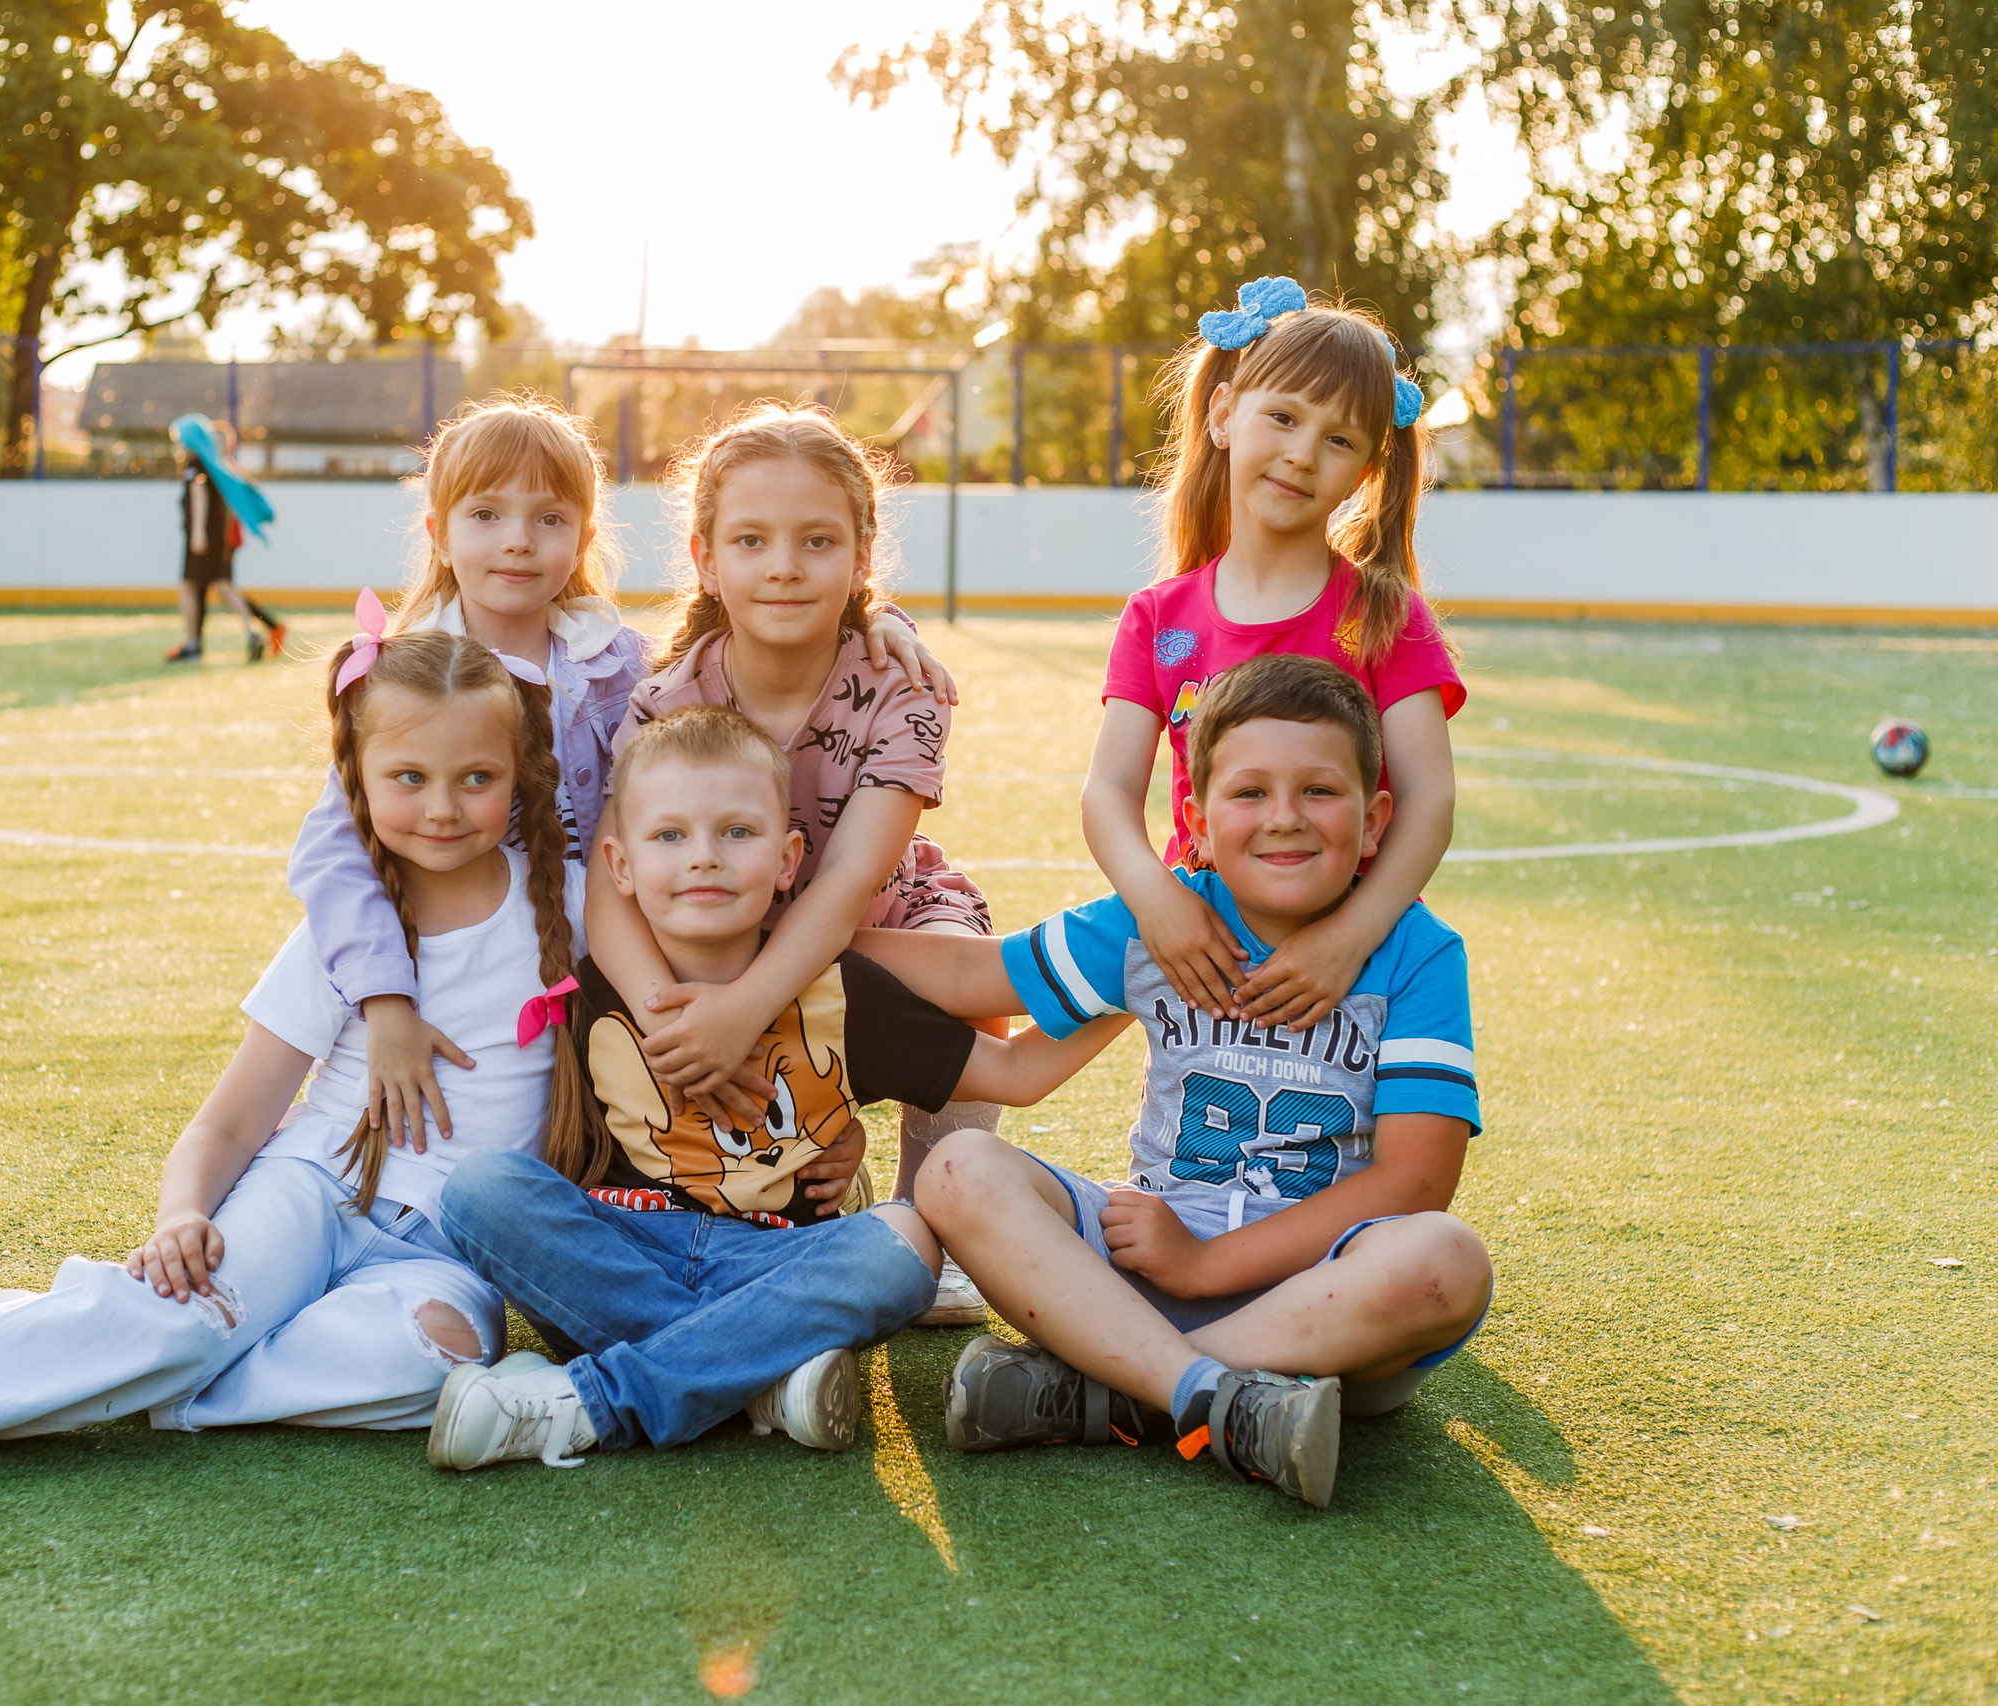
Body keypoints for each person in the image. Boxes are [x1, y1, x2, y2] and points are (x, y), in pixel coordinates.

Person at [0, 631, 581, 1477]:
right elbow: (230, 1120)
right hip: (317, 1193)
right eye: (409, 777)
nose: (444, 807)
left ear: (520, 777)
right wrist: (182, 1215)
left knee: (438, 1364)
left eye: (476, 778)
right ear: (360, 782)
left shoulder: (566, 904)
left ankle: (89, 1346)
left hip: (447, 1254)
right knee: (193, 1316)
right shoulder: (349, 935)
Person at [419, 706, 1132, 1471]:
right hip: (624, 1253)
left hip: (780, 1260)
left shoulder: (842, 990)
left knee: (904, 1247)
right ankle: (758, 1372)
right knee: (480, 1190)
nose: (704, 859)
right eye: (669, 836)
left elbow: (1016, 1074)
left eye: (737, 832)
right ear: (620, 867)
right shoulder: (598, 982)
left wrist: (1139, 978)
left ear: (790, 859)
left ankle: (596, 1399)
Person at [858, 656, 1492, 1510]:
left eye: (1319, 792)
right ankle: (1215, 1399)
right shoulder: (1159, 922)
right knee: (958, 1169)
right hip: (1139, 1270)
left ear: (1376, 820)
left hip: (1326, 1311)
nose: (1284, 820)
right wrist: (787, 934)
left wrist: (1208, 1265)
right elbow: (975, 979)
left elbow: (1415, 1179)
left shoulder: (1416, 952)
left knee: (1446, 1260)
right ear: (1193, 817)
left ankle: (1115, 1392)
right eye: (1250, 793)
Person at [285, 395, 952, 1168]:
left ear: (583, 537)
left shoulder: (621, 668)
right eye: (487, 515)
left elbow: (774, 612)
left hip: (657, 930)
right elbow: (341, 850)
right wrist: (385, 999)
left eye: (549, 519)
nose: (518, 543)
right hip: (523, 942)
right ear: (438, 532)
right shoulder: (406, 682)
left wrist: (881, 618)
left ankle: (851, 1172)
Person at [584, 402, 998, 1328]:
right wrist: (677, 1022)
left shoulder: (905, 691)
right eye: (752, 540)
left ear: (860, 557)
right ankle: (770, 1185)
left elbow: (850, 879)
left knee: (976, 981)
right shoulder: (667, 699)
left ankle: (938, 1223)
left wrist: (747, 1009)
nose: (782, 565)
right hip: (721, 929)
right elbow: (606, 896)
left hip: (868, 921)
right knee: (605, 990)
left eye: (816, 541)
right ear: (704, 558)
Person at [1085, 278, 1462, 1041]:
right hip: (1203, 953)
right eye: (1284, 417)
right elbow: (1107, 794)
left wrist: (1346, 938)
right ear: (1224, 415)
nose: (1300, 454)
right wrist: (1160, 903)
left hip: (1351, 969)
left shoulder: (1386, 619)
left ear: (1362, 474)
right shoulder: (1159, 620)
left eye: (1338, 439)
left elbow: (1429, 802)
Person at [168, 412, 286, 664]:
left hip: (203, 538)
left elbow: (199, 495)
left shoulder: (196, 466)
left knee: (193, 587)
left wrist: (198, 533)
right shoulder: (215, 467)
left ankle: (193, 645)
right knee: (220, 586)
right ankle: (249, 634)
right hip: (217, 538)